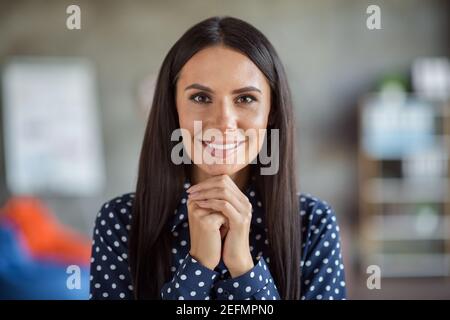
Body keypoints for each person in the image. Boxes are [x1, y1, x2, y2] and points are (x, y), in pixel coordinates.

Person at [90, 16, 346, 300]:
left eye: (245, 98)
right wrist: (198, 266)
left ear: (271, 113)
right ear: (173, 110)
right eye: (200, 98)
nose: (224, 122)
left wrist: (243, 267)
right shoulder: (120, 221)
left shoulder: (312, 223)